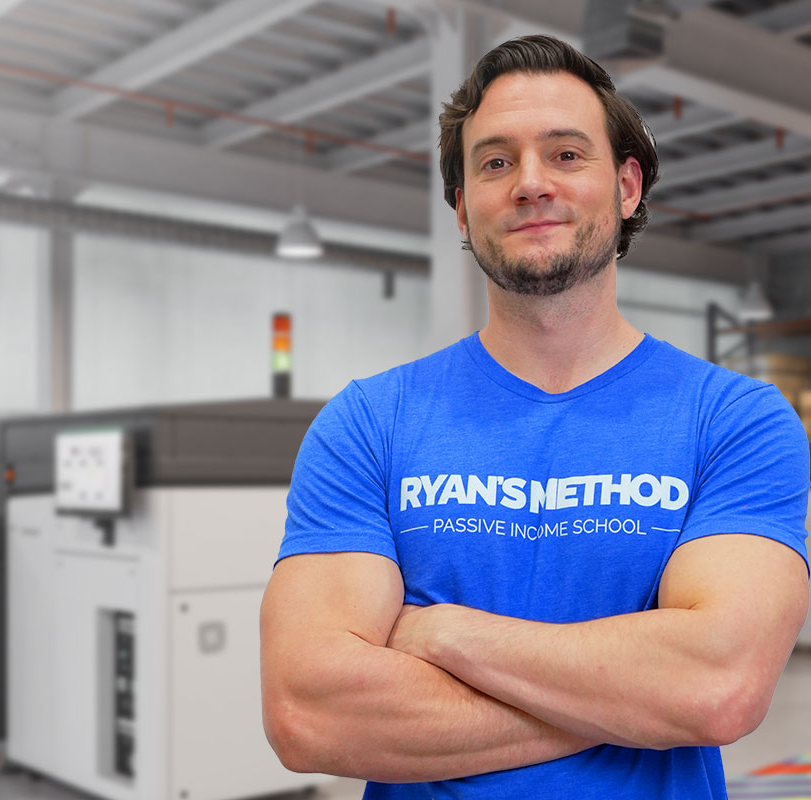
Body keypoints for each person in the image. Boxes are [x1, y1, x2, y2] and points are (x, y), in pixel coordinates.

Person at [259, 34, 810, 800]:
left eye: (566, 155)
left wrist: (442, 632)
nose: (529, 184)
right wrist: (638, 697)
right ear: (461, 206)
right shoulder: (369, 424)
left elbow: (717, 684)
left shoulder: (734, 421)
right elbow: (308, 713)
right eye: (494, 162)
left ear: (626, 187)